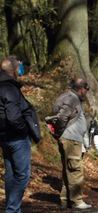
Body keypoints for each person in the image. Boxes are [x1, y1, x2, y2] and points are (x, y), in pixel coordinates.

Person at [0, 55, 40, 213]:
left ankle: (13, 209)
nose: (22, 70)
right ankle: (12, 209)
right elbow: (13, 116)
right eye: (20, 67)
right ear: (15, 69)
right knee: (22, 175)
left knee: (11, 175)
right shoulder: (9, 88)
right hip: (16, 138)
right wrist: (25, 130)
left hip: (4, 138)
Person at [52, 78, 91, 209]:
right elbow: (62, 117)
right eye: (86, 90)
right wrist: (60, 131)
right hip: (71, 138)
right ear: (81, 89)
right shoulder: (72, 98)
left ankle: (65, 200)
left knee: (68, 169)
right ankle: (77, 201)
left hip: (69, 138)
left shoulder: (68, 97)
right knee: (75, 170)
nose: (86, 92)